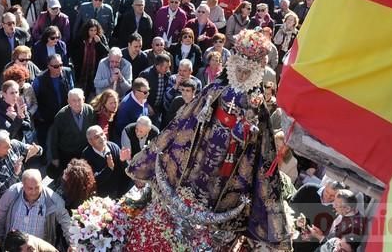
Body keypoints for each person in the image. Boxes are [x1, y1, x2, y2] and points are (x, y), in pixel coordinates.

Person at [126, 30, 290, 249]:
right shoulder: (216, 88)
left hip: (232, 156)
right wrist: (204, 111)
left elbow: (259, 142)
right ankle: (155, 198)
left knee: (223, 187)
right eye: (239, 68)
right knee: (177, 157)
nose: (241, 74)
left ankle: (215, 231)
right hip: (204, 145)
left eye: (246, 71)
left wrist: (246, 130)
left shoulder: (256, 103)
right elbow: (189, 117)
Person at [0, 169, 72, 249]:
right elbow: (0, 215)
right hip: (14, 247)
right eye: (30, 188)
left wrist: (72, 243)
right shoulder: (12, 193)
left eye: (37, 187)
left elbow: (66, 221)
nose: (34, 192)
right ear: (23, 185)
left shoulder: (53, 200)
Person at [0, 129, 42, 216]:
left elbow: (35, 150)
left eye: (9, 144)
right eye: (6, 147)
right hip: (9, 201)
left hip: (26, 192)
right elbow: (2, 190)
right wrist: (15, 174)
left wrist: (37, 150)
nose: (10, 148)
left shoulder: (13, 144)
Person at [47, 89, 96, 178]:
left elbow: (93, 130)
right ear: (68, 101)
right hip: (67, 153)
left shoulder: (90, 111)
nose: (77, 103)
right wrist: (55, 158)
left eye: (79, 100)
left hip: (84, 152)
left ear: (84, 99)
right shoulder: (61, 116)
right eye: (73, 100)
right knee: (69, 176)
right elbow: (54, 139)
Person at [82, 125, 131, 199]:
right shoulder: (86, 155)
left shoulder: (113, 146)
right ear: (90, 142)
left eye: (102, 134)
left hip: (117, 191)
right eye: (97, 137)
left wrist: (123, 160)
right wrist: (109, 168)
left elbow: (123, 171)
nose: (102, 138)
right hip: (101, 196)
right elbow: (93, 181)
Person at [0, 12, 31, 90]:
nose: (12, 26)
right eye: (9, 24)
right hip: (1, 72)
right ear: (3, 25)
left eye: (14, 23)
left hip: (21, 70)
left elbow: (29, 50)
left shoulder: (23, 34)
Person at [68, 19, 109, 96]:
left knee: (92, 89)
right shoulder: (81, 38)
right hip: (81, 68)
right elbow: (73, 51)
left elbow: (106, 52)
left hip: (95, 68)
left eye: (95, 30)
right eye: (91, 30)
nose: (93, 32)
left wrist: (99, 43)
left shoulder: (101, 37)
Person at [112, 77, 150, 143]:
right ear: (136, 92)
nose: (148, 94)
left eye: (148, 91)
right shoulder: (126, 106)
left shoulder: (143, 98)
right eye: (145, 92)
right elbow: (122, 129)